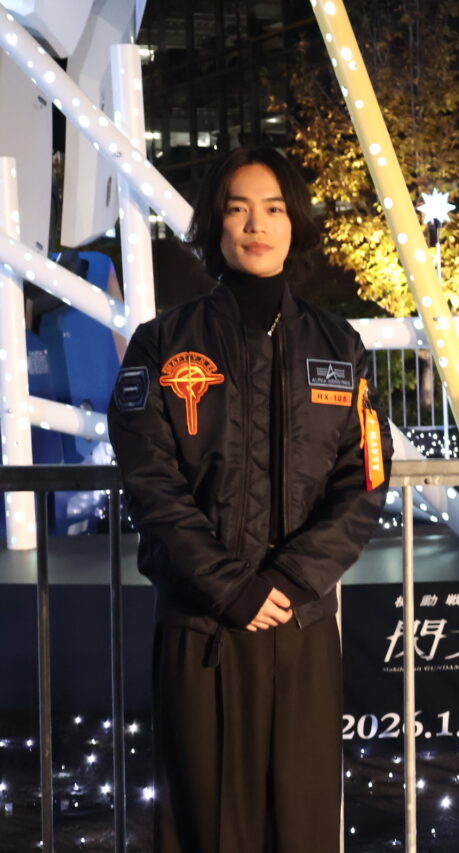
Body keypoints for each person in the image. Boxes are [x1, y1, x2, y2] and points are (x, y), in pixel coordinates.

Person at [108, 146, 392, 853]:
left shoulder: (338, 345)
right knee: (204, 826)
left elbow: (365, 478)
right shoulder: (161, 344)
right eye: (238, 209)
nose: (256, 225)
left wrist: (291, 579)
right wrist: (230, 586)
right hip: (201, 626)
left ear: (295, 223)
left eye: (272, 209)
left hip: (301, 626)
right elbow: (150, 482)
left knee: (303, 826)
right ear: (215, 224)